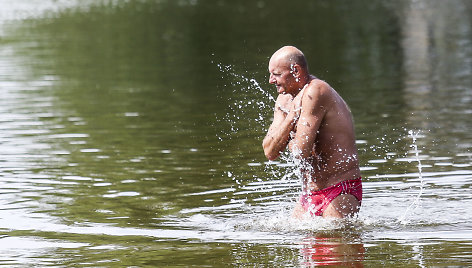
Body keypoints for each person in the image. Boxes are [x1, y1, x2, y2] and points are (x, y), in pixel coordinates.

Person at [262, 46, 362, 218]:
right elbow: (270, 151)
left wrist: (286, 135)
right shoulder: (283, 99)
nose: (271, 80)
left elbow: (301, 150)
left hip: (339, 189)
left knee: (335, 240)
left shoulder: (316, 91)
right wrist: (293, 116)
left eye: (277, 74)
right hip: (309, 194)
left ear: (296, 70)